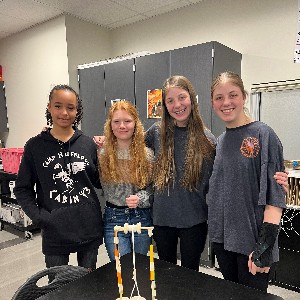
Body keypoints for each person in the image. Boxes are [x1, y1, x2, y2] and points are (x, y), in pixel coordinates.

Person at [94, 76, 288, 272]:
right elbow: (132, 148)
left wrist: (277, 181)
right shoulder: (155, 133)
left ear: (192, 99)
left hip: (195, 221)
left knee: (190, 275)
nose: (177, 105)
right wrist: (107, 142)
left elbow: (226, 176)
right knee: (165, 274)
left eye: (182, 97)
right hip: (162, 219)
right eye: (170, 100)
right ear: (164, 105)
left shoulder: (209, 140)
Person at [208, 71, 286, 292]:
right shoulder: (221, 141)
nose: (226, 102)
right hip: (223, 241)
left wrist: (264, 247)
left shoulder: (264, 134)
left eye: (232, 95)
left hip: (252, 243)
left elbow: (275, 197)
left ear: (243, 96)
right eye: (219, 97)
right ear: (213, 102)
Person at [14, 85, 103, 276]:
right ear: (49, 108)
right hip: (55, 231)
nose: (64, 112)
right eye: (58, 106)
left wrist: (105, 153)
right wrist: (40, 217)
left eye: (71, 107)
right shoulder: (34, 146)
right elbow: (22, 188)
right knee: (57, 289)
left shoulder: (87, 144)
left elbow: (98, 181)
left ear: (77, 111)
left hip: (88, 228)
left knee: (87, 284)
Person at [98, 100, 154, 261]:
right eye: (117, 121)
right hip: (114, 218)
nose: (122, 126)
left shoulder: (147, 155)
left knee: (141, 270)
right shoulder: (102, 155)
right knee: (121, 271)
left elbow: (153, 187)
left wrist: (141, 197)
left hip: (141, 217)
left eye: (127, 121)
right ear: (110, 125)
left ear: (135, 124)